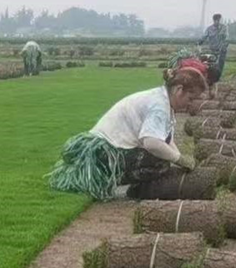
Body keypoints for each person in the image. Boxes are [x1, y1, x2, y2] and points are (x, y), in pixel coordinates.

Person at [48, 68, 207, 201]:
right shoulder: (159, 107)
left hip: (104, 148)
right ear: (179, 90)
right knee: (160, 162)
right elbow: (151, 143)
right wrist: (178, 159)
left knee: (164, 157)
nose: (190, 104)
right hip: (104, 153)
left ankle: (129, 185)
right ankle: (107, 180)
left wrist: (181, 160)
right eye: (190, 98)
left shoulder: (161, 100)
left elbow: (166, 139)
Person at [199, 13, 229, 81]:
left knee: (220, 63)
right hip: (212, 49)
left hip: (222, 49)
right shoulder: (209, 29)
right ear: (214, 20)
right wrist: (200, 41)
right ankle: (210, 76)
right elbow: (204, 36)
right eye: (216, 20)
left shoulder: (224, 28)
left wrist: (224, 44)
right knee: (211, 63)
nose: (217, 22)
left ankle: (218, 77)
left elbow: (225, 37)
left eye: (219, 20)